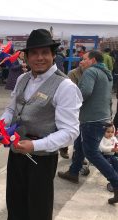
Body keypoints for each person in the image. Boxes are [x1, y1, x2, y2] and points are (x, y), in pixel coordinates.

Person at [0, 29, 82, 220]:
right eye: (34, 53)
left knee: (38, 211)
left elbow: (70, 132)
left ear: (53, 55)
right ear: (27, 57)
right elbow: (11, 110)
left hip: (41, 160)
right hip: (16, 154)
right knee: (15, 205)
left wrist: (35, 145)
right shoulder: (23, 79)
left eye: (45, 52)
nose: (39, 58)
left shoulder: (65, 86)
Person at [58, 50, 118, 205]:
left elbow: (84, 92)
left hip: (91, 119)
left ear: (92, 60)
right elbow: (107, 98)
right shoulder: (106, 74)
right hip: (102, 117)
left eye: (84, 59)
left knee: (91, 152)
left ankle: (116, 181)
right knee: (79, 144)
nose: (81, 62)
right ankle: (73, 172)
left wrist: (68, 103)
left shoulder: (91, 72)